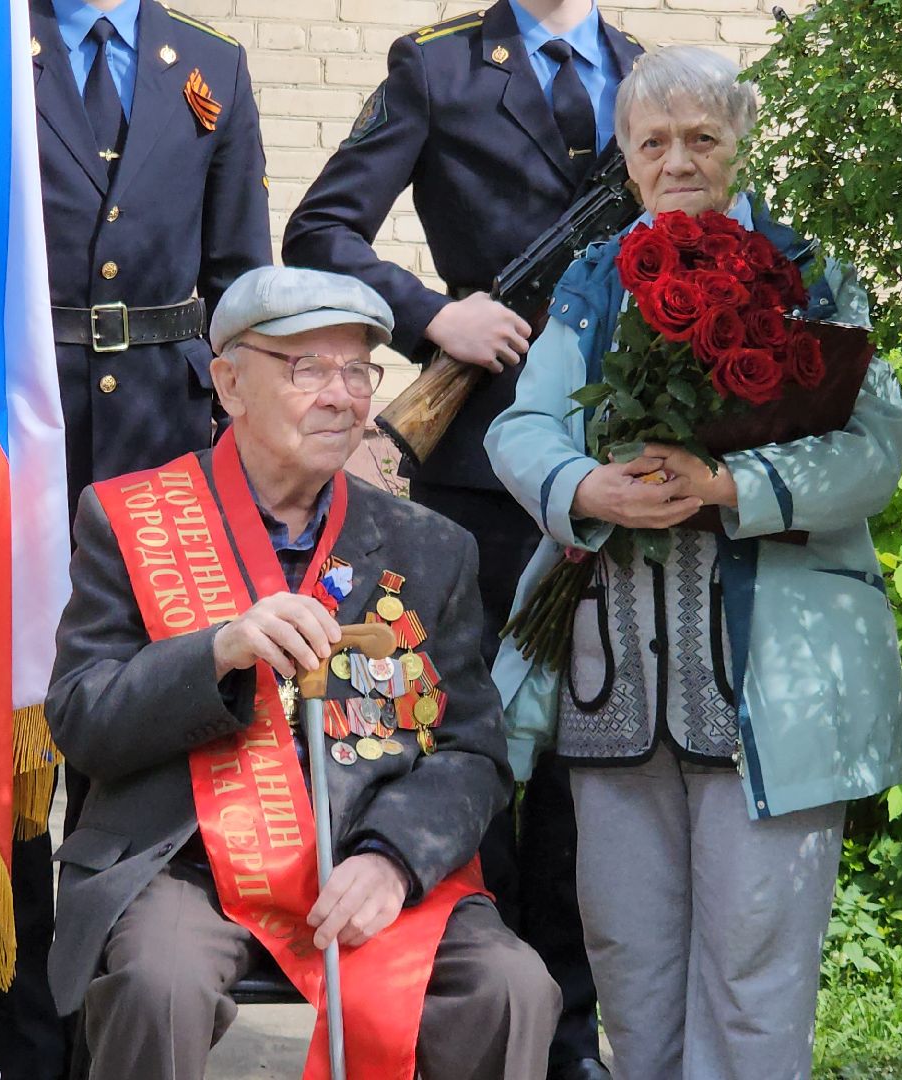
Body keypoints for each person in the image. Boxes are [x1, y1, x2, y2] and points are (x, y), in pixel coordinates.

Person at [486, 46, 902, 1080]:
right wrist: (590, 490)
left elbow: (870, 451)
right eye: (652, 143)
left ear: (739, 143)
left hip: (773, 688)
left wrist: (728, 487)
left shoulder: (810, 275)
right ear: (627, 160)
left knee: (755, 972)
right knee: (630, 965)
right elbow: (523, 428)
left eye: (701, 138)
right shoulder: (594, 280)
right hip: (611, 680)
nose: (678, 161)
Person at [45, 265, 560, 1079]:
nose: (342, 396)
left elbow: (472, 752)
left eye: (358, 369)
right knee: (160, 984)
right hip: (184, 864)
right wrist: (214, 652)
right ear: (228, 383)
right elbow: (81, 718)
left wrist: (395, 857)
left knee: (512, 986)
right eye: (307, 368)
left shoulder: (431, 546)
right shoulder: (132, 517)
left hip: (366, 861)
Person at [282, 4, 640, 1075]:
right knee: (473, 752)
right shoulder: (435, 68)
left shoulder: (645, 78)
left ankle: (564, 1037)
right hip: (479, 476)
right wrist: (435, 315)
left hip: (616, 472)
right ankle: (472, 1024)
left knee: (587, 766)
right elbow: (320, 232)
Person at [0, 1, 273, 1072]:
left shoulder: (209, 65)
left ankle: (114, 1017)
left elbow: (241, 279)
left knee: (126, 734)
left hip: (157, 440)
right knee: (1, 754)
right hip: (8, 437)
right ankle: (18, 1041)